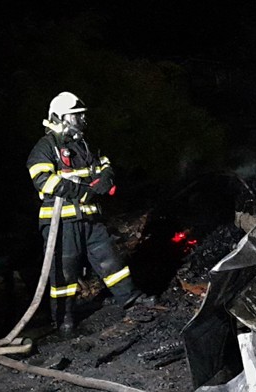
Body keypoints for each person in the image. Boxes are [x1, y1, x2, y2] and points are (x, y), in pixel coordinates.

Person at [27, 92, 150, 336]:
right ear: (61, 117)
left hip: (90, 218)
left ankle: (131, 299)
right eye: (77, 116)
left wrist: (106, 179)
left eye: (83, 115)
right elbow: (41, 178)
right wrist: (82, 192)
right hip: (61, 223)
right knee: (64, 273)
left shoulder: (84, 145)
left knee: (110, 260)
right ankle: (64, 320)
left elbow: (104, 164)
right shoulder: (47, 146)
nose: (83, 120)